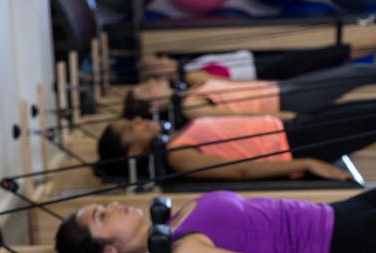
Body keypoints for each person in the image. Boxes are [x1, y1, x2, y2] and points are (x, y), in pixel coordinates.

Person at [55, 188, 376, 253]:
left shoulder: (173, 219)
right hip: (346, 239)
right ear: (108, 252)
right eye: (102, 215)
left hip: (343, 210)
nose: (113, 205)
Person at [97, 99, 376, 183]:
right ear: (132, 151)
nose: (137, 120)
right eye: (128, 128)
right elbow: (242, 169)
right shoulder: (177, 155)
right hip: (295, 145)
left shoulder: (178, 136)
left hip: (293, 127)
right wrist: (308, 162)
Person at [123, 63, 376, 121]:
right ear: (153, 107)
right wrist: (288, 118)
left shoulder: (190, 91)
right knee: (355, 75)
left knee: (354, 73)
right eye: (147, 89)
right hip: (286, 102)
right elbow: (242, 119)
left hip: (281, 89)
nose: (153, 81)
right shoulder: (191, 106)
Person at [142, 34, 376, 83]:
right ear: (162, 75)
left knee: (325, 55)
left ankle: (367, 45)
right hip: (267, 72)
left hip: (261, 62)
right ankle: (368, 44)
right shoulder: (192, 76)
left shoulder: (191, 65)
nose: (164, 59)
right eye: (159, 64)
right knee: (325, 57)